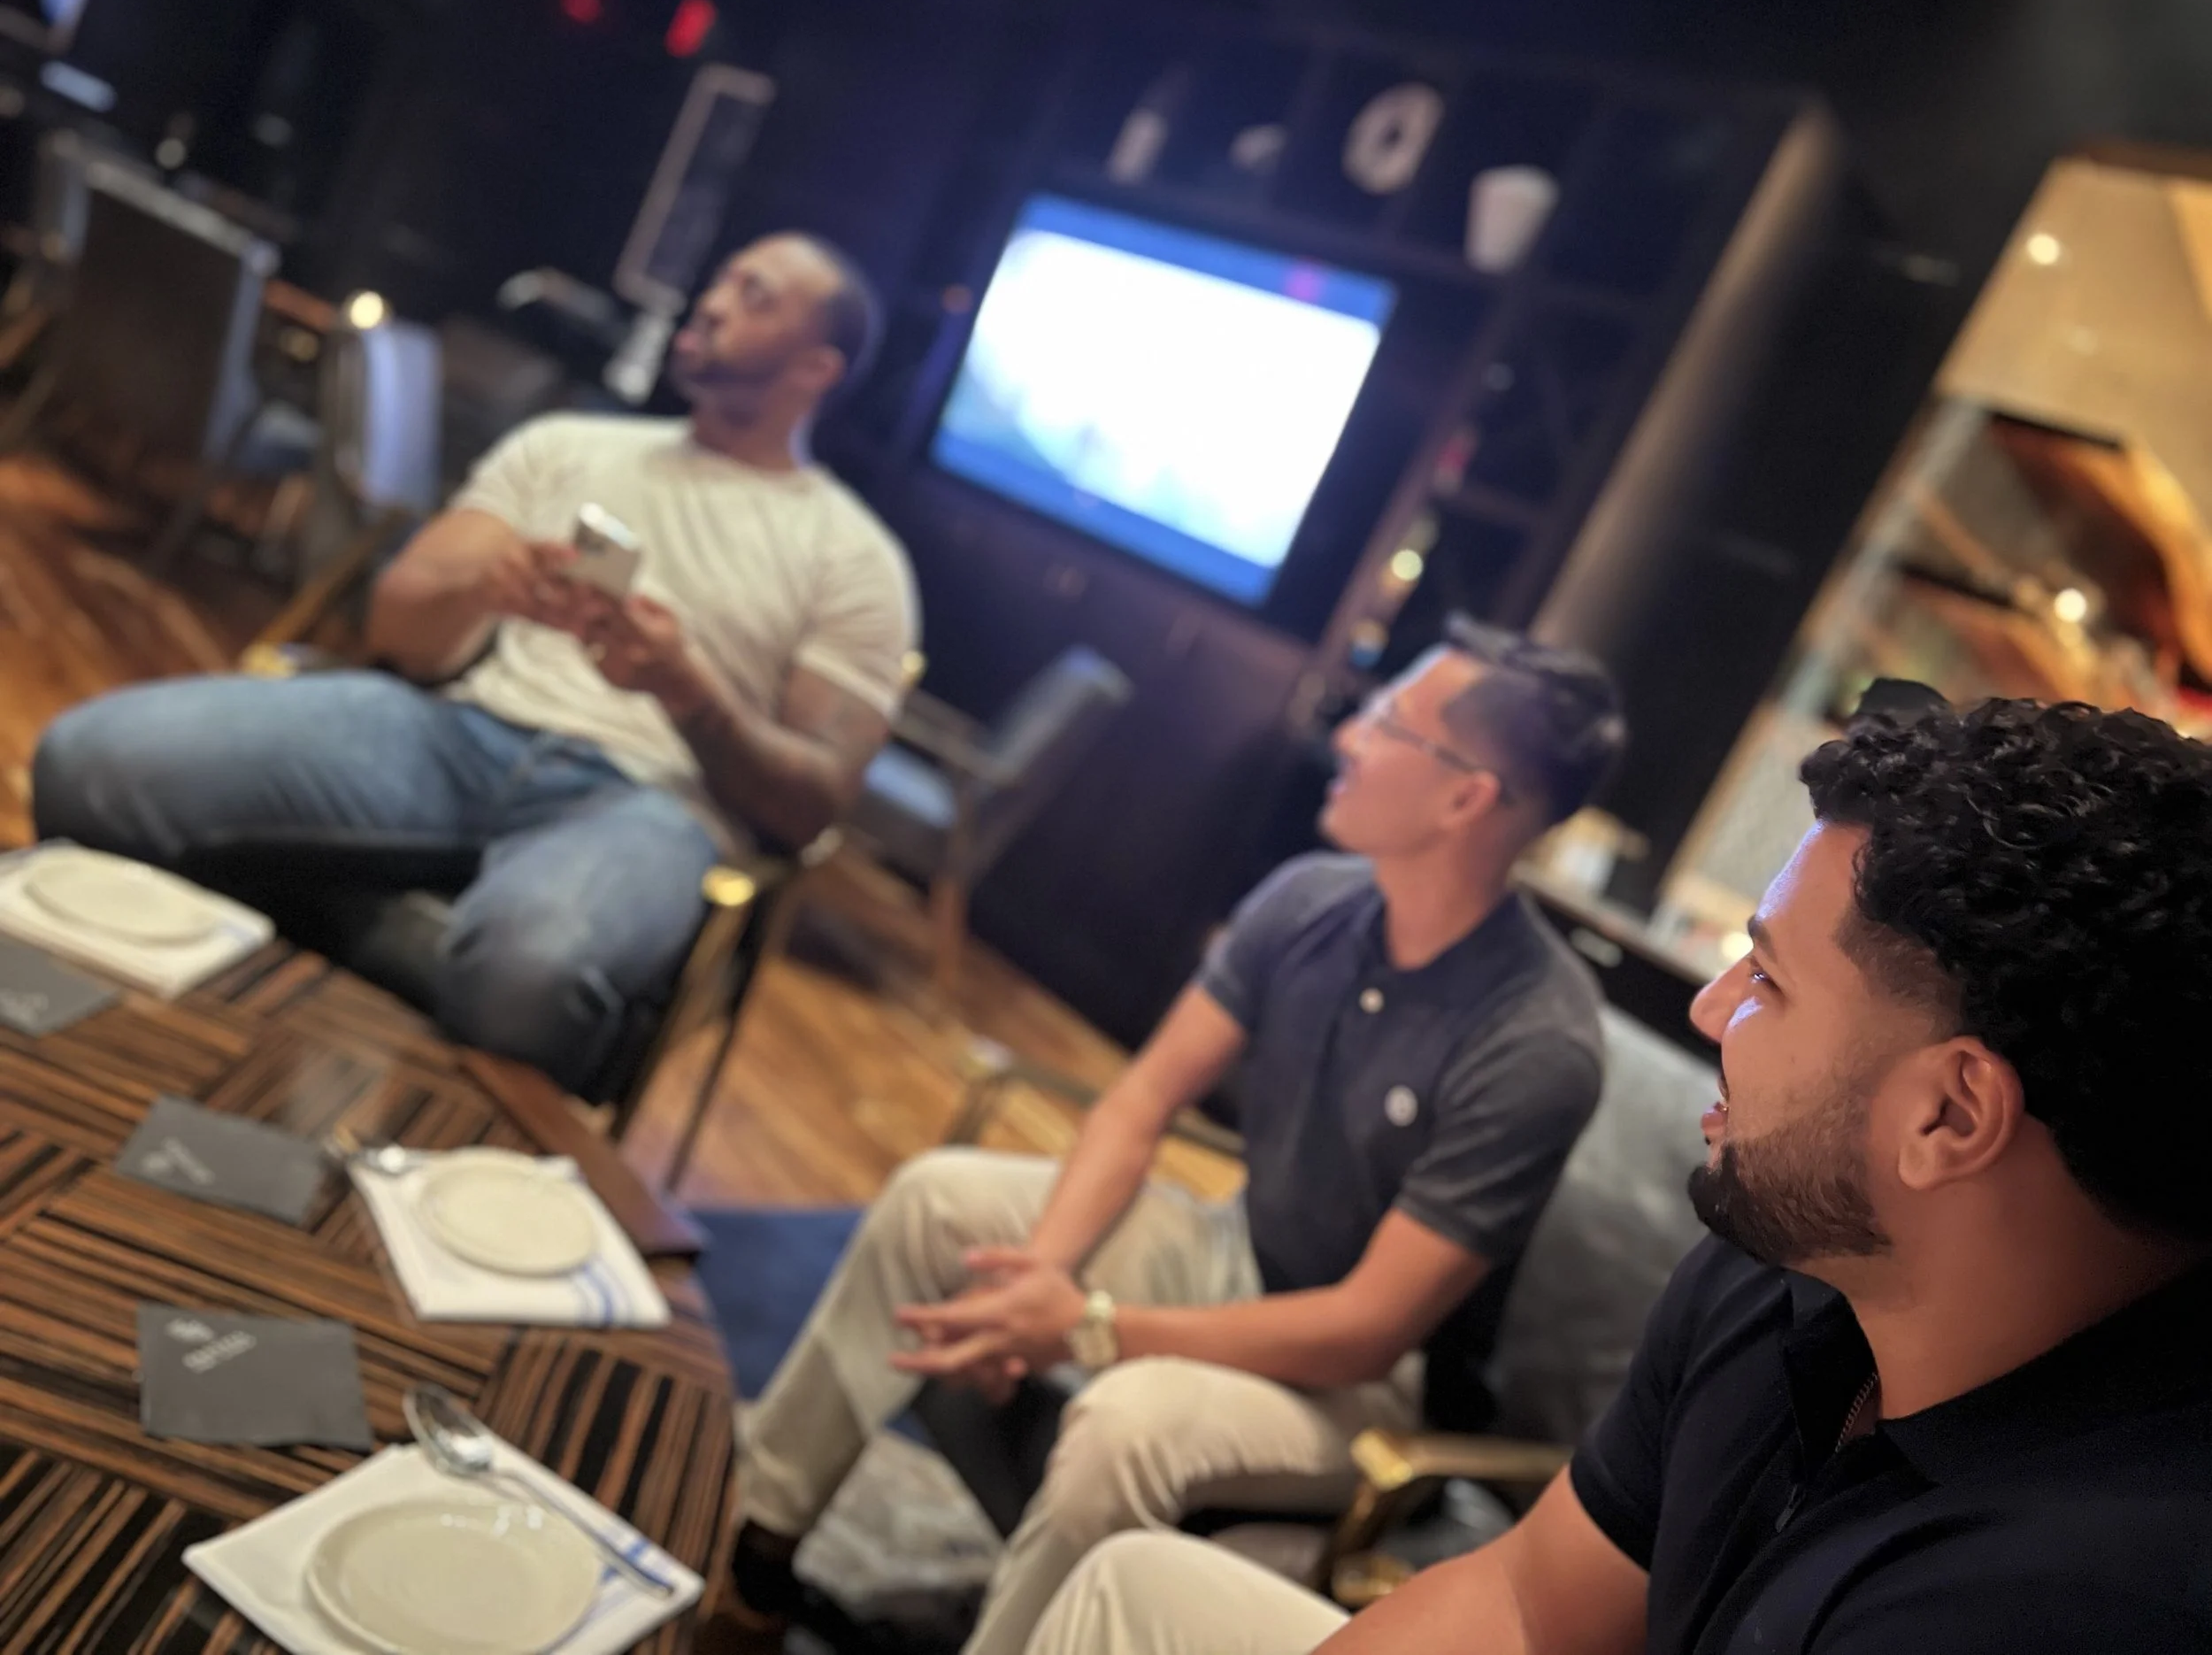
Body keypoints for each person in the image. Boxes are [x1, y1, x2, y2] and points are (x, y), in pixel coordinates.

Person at [1025, 695, 2212, 1655]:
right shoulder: (1774, 1272)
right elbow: (1531, 1604)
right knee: (1135, 1587)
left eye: (1769, 979)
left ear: (1951, 1113)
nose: (1709, 1008)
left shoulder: (2085, 1591)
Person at [714, 618, 1629, 1655]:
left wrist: (1088, 1326)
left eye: (1385, 722)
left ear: (1465, 796)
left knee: (1124, 1425)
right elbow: (1141, 1100)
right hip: (1227, 1254)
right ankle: (755, 1564)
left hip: (1359, 1386)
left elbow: (1366, 1328)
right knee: (938, 1200)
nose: (1346, 737)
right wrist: (1042, 1276)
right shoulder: (1308, 901)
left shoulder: (1535, 1040)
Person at [30, 232, 918, 1095]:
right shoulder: (567, 446)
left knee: (530, 977)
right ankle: (400, 952)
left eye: (755, 297)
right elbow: (396, 628)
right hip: (460, 730)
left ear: (816, 369)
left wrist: (683, 687)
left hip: (649, 801)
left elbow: (811, 805)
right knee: (87, 763)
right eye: (723, 280)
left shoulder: (853, 559)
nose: (714, 302)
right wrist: (488, 585)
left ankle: (298, 904)